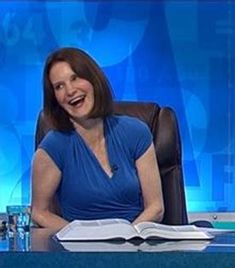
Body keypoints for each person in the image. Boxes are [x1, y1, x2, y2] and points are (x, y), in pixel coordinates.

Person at [31, 47, 164, 231]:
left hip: (135, 245)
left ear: (93, 79)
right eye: (59, 86)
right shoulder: (52, 147)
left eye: (75, 78)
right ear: (55, 98)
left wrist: (128, 237)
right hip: (79, 252)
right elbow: (40, 212)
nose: (70, 91)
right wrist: (80, 236)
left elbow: (156, 208)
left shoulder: (136, 132)